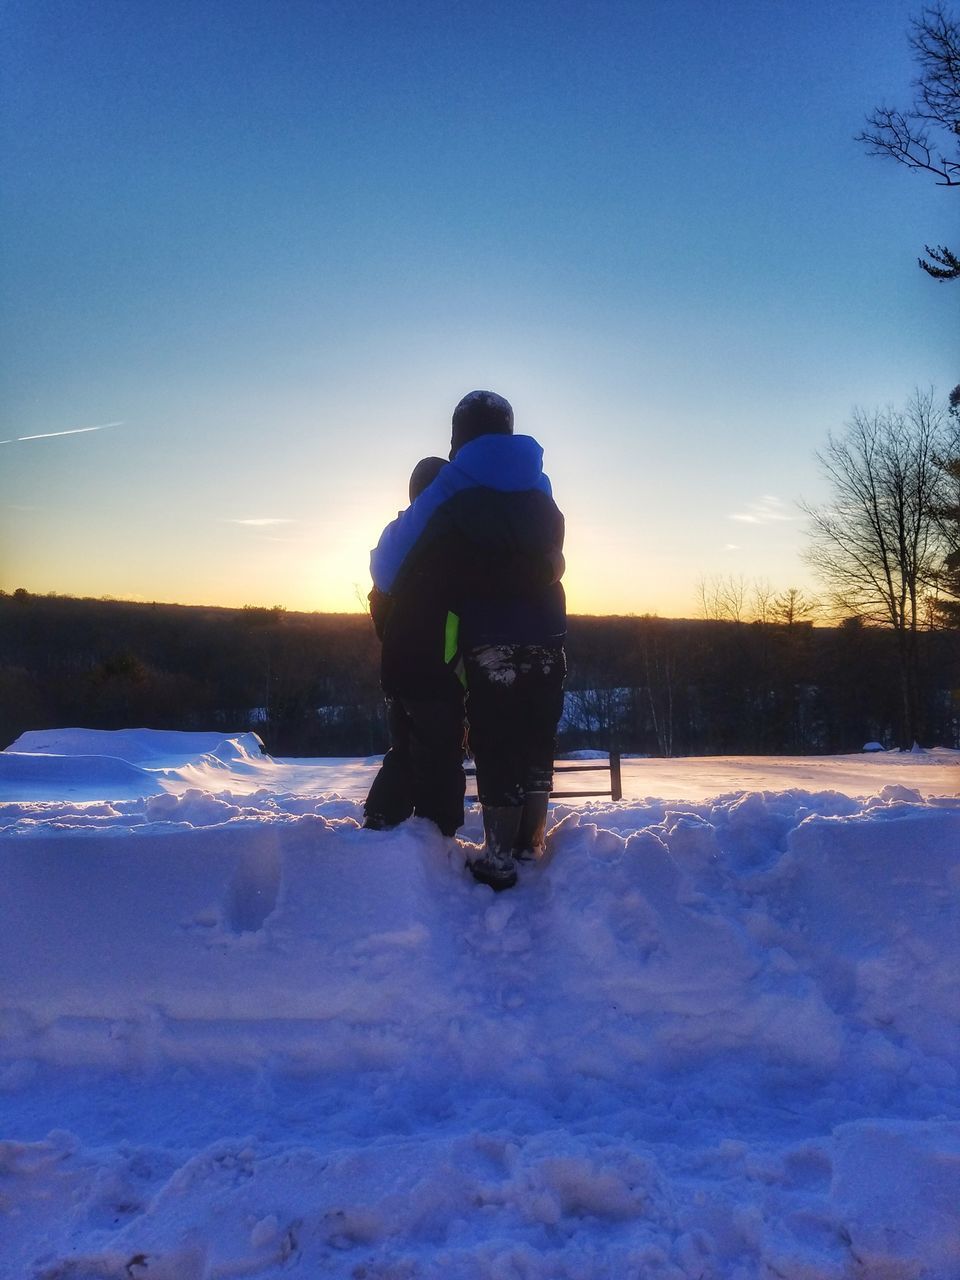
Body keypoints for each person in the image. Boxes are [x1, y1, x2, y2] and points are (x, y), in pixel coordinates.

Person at [369, 391, 566, 889]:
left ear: (459, 435)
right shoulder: (541, 488)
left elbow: (387, 567)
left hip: (484, 638)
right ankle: (531, 840)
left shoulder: (451, 486)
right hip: (547, 631)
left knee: (493, 738)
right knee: (535, 735)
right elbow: (552, 560)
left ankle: (487, 852)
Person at [363, 455, 466, 837]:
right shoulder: (449, 539)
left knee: (404, 749)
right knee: (441, 754)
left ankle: (382, 818)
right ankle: (437, 834)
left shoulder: (397, 539)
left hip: (397, 670)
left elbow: (378, 603)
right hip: (436, 674)